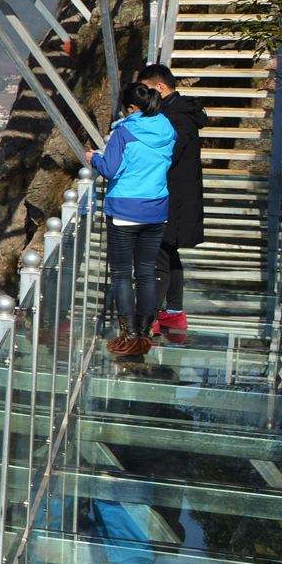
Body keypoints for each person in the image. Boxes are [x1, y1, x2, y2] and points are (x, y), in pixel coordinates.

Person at [88, 80, 177, 360]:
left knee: (122, 274)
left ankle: (128, 333)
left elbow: (111, 169)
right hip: (156, 208)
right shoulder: (167, 128)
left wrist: (93, 159)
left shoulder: (125, 132)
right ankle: (144, 329)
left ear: (130, 107)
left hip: (125, 209)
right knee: (147, 272)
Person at [136, 62, 208, 343]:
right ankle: (173, 312)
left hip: (169, 196)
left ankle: (149, 318)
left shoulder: (173, 118)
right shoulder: (183, 113)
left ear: (160, 88)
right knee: (169, 251)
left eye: (145, 90)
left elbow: (166, 156)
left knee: (156, 256)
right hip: (180, 195)